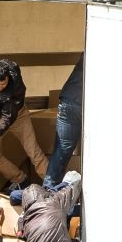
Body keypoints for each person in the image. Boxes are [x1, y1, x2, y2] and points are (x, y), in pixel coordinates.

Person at [0, 59, 49, 191]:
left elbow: (8, 116)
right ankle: (21, 180)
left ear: (8, 77)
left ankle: (53, 186)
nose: (0, 88)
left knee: (33, 151)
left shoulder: (16, 84)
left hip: (17, 115)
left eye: (3, 84)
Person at [43, 54, 83, 189]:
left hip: (68, 100)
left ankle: (48, 190)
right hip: (83, 102)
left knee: (61, 150)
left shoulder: (90, 48)